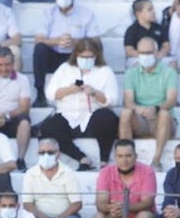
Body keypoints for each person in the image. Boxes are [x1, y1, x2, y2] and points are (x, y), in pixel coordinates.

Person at [38, 37, 119, 170]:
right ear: (76, 55)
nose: (86, 60)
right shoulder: (65, 69)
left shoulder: (105, 71)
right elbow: (50, 94)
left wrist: (95, 93)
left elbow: (113, 100)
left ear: (96, 56)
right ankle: (82, 158)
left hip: (92, 116)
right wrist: (69, 90)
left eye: (90, 57)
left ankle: (104, 161)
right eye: (83, 56)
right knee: (48, 127)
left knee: (106, 118)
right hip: (68, 115)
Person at [32, 0, 99, 107]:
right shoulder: (47, 13)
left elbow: (96, 40)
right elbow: (38, 38)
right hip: (54, 55)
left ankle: (86, 91)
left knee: (91, 50)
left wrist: (76, 43)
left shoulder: (86, 13)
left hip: (75, 56)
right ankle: (40, 93)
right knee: (40, 48)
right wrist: (56, 41)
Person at [120, 37, 178, 169]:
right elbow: (128, 101)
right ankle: (127, 158)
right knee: (125, 113)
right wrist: (138, 109)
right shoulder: (131, 73)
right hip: (140, 118)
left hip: (161, 119)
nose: (145, 56)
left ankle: (156, 160)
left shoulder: (169, 72)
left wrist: (156, 108)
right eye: (142, 53)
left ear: (157, 53)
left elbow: (171, 99)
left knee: (164, 114)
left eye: (149, 53)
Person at [93, 139, 156, 218]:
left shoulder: (147, 172)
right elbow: (100, 203)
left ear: (136, 156)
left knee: (144, 217)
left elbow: (147, 203)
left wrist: (125, 207)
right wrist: (112, 207)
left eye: (128, 156)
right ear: (115, 157)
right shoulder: (105, 172)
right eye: (120, 156)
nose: (124, 160)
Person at [21, 138, 83, 218]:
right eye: (42, 152)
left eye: (50, 152)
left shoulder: (68, 173)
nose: (46, 156)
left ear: (58, 154)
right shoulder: (30, 174)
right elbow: (27, 204)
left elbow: (77, 203)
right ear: (37, 154)